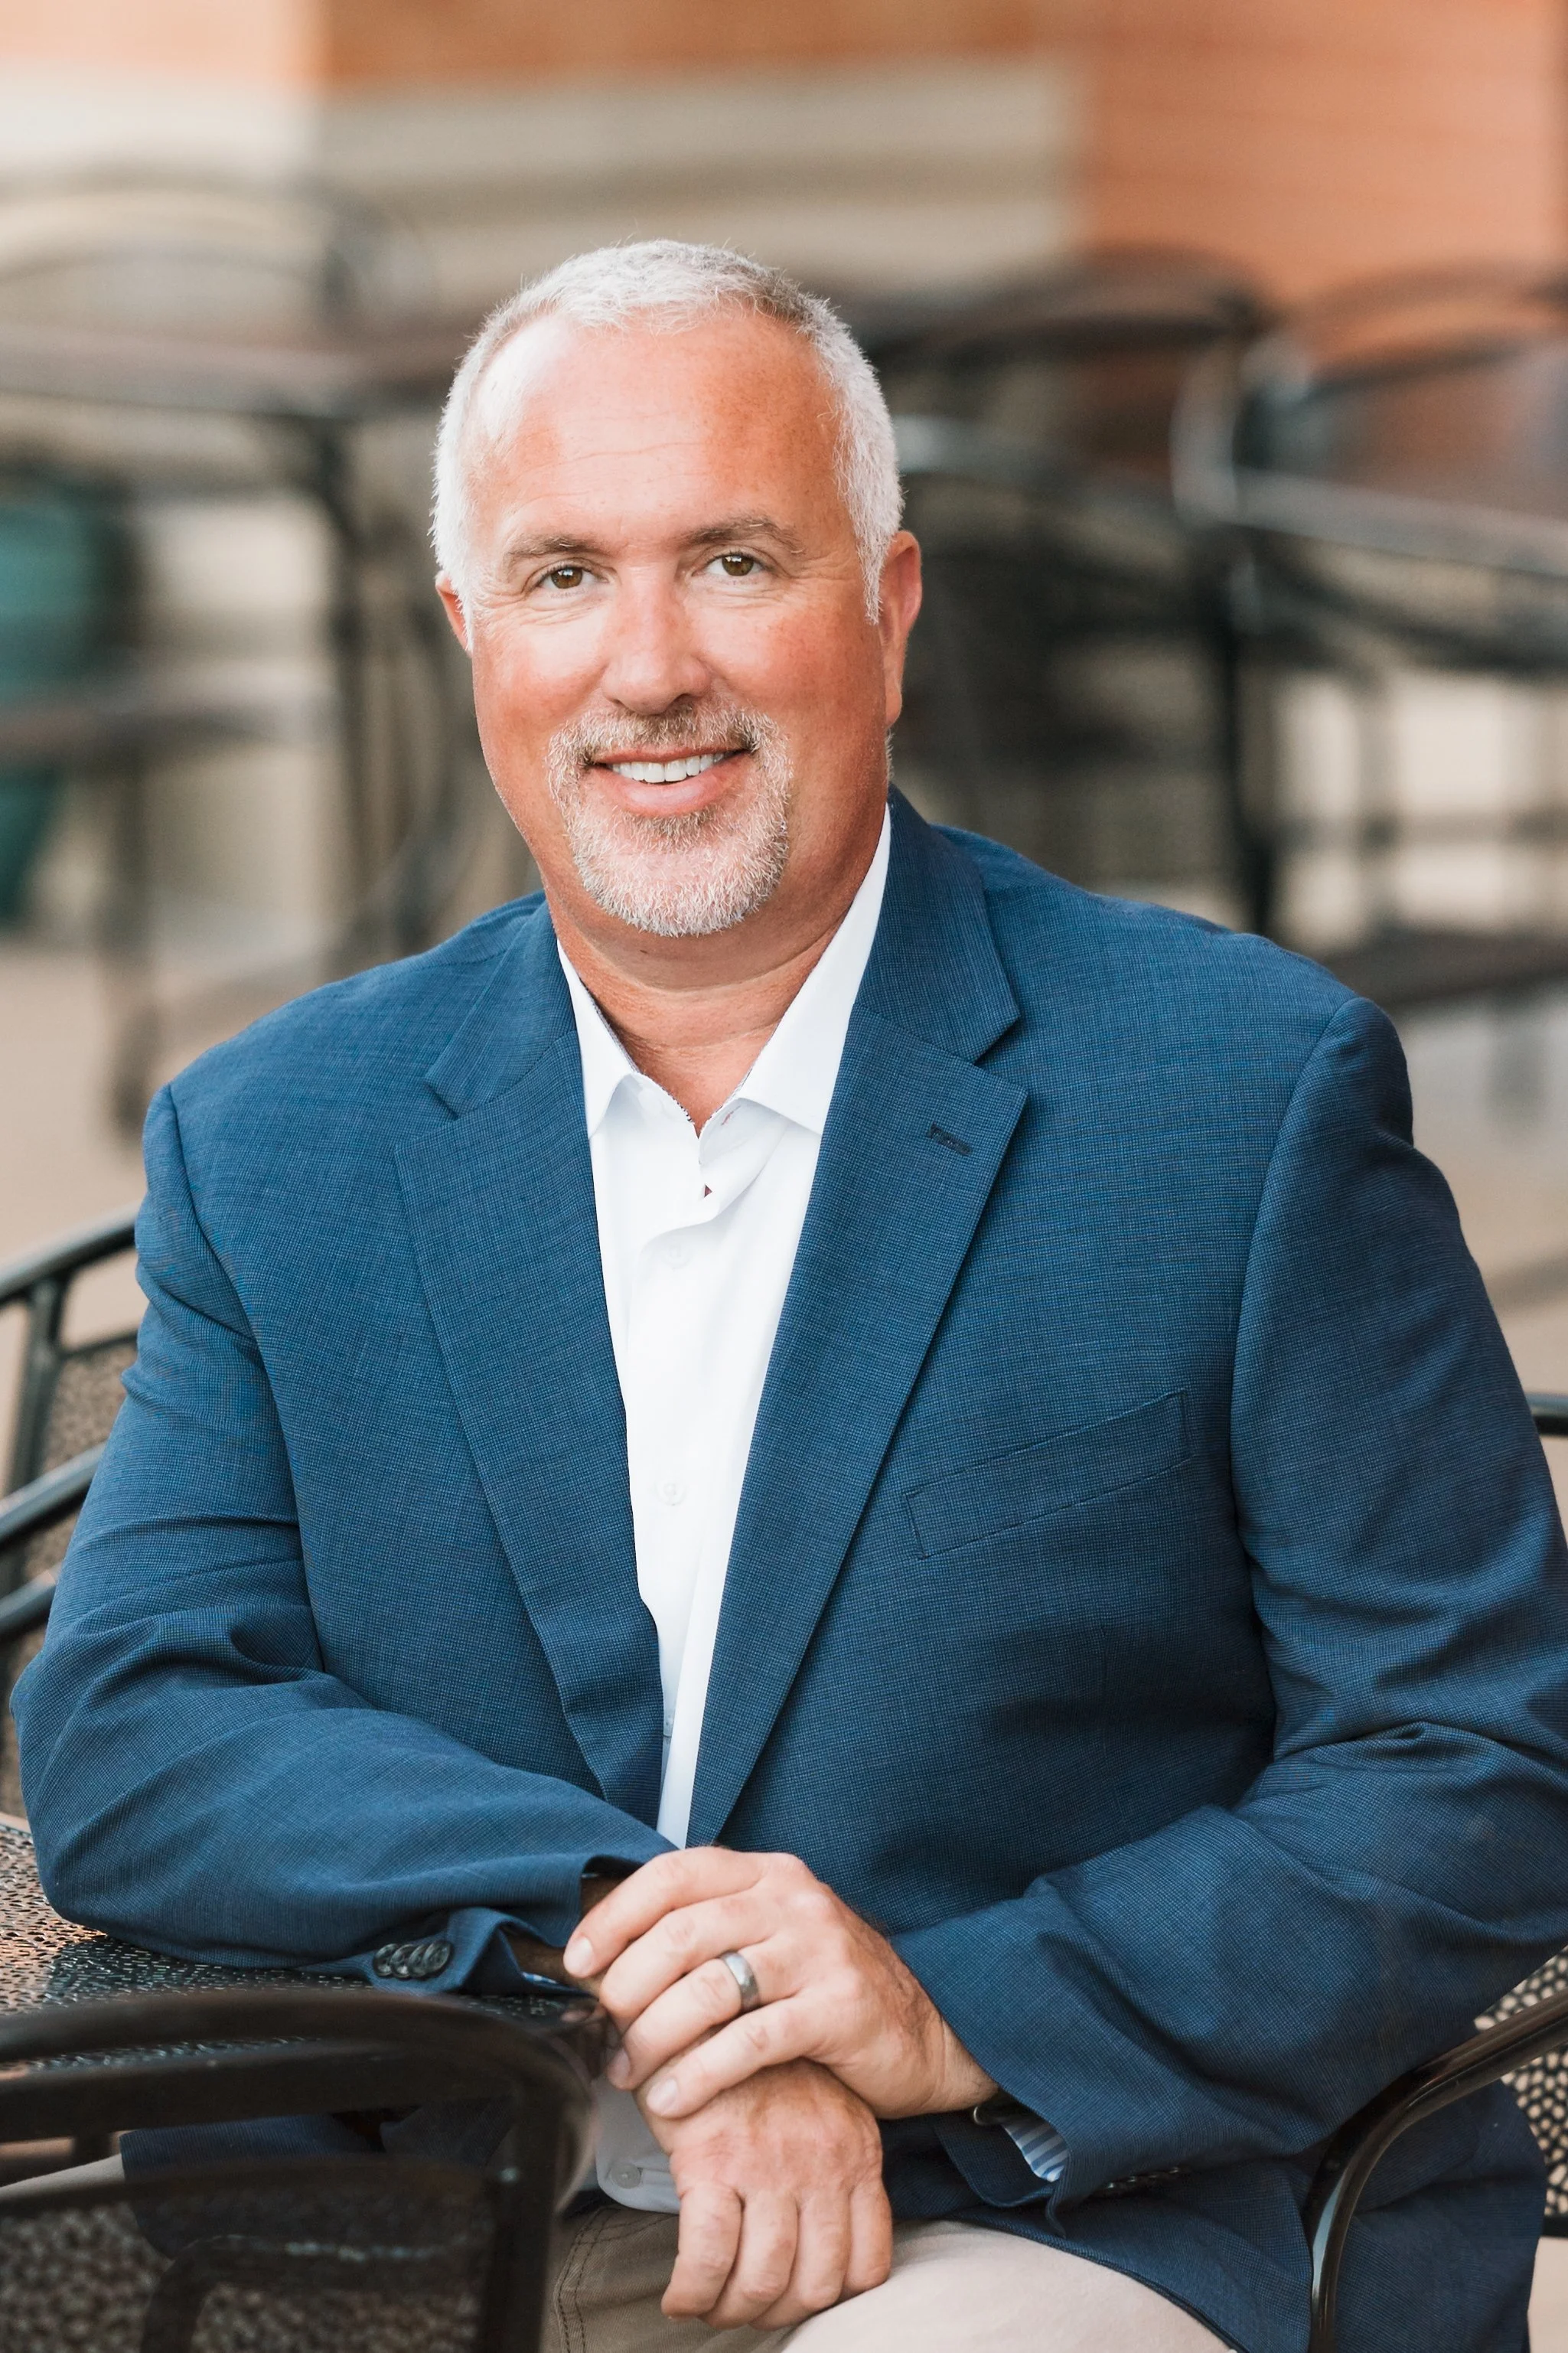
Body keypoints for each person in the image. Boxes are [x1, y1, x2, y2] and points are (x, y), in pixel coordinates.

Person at [15, 240, 1568, 2353]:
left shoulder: (1231, 1101)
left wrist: (938, 2013)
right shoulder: (284, 1134)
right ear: (473, 640)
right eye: (565, 577)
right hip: (435, 2185)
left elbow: (1474, 1750)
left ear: (890, 611)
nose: (648, 665)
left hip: (1077, 2196)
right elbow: (133, 1728)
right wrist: (632, 1949)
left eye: (734, 561)